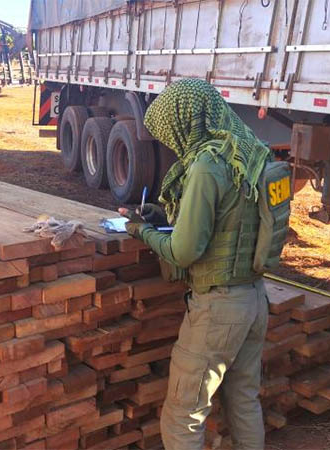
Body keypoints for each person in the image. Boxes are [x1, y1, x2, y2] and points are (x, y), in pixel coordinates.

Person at [122, 78, 285, 450]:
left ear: (186, 120)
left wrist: (141, 231)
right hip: (254, 299)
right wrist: (163, 213)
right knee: (243, 399)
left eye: (170, 133)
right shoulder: (251, 152)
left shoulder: (207, 166)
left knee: (184, 411)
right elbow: (230, 219)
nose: (171, 143)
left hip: (218, 307)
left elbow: (183, 251)